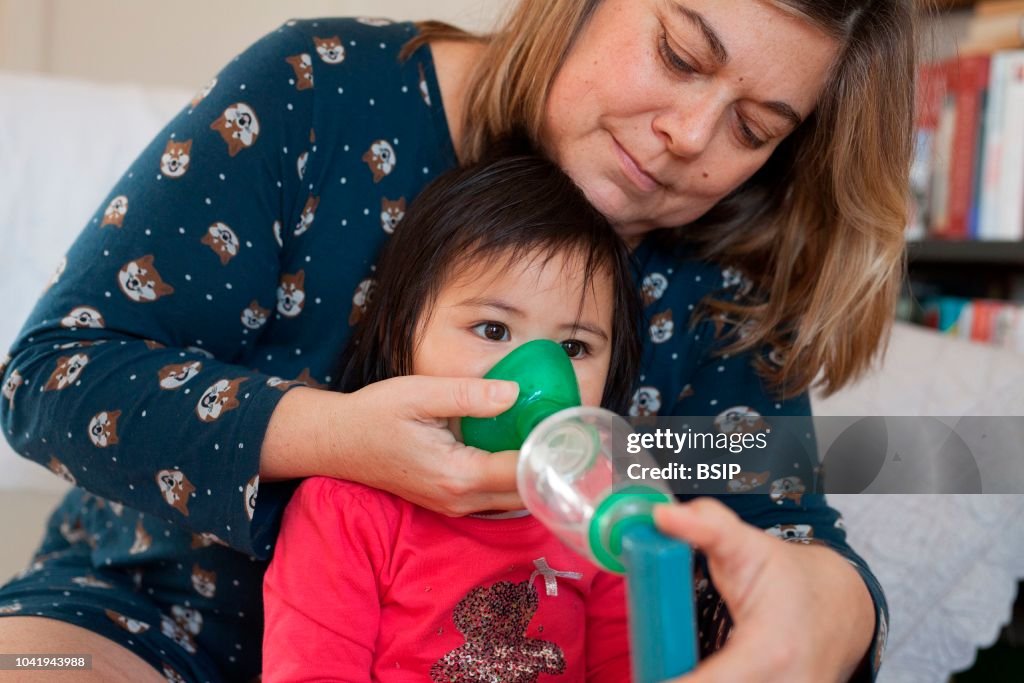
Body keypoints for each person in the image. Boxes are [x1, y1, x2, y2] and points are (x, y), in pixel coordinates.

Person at [0, 1, 915, 681]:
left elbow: (777, 515)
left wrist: (827, 619)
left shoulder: (719, 262)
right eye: (677, 53)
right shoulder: (320, 92)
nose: (688, 137)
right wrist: (337, 439)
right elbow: (51, 376)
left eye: (753, 129)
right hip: (142, 620)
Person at [263, 152, 639, 680]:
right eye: (492, 330)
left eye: (574, 347)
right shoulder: (346, 512)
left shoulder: (600, 507)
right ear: (401, 334)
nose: (539, 377)